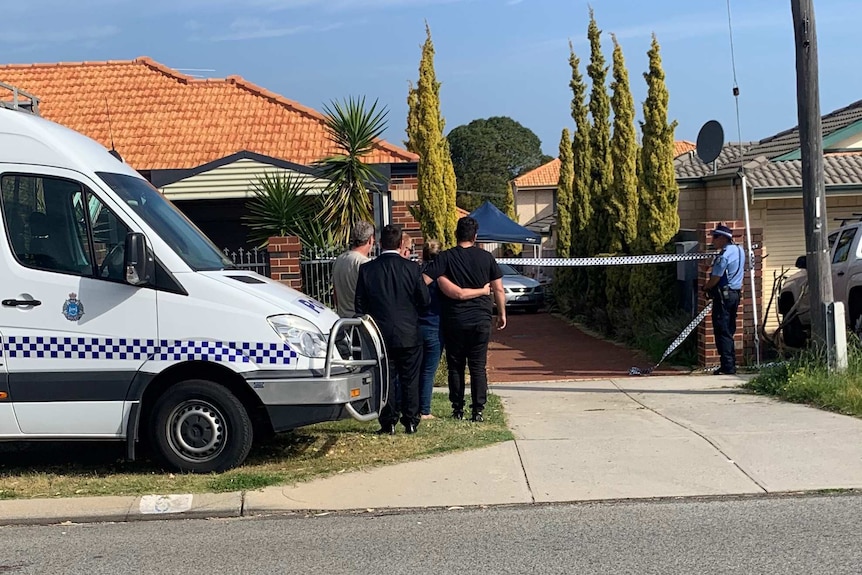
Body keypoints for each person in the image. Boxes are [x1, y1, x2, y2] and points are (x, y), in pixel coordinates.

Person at [423, 217, 506, 422]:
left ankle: (457, 408)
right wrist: (502, 313)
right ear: (475, 236)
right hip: (481, 318)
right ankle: (478, 410)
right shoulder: (486, 257)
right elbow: (498, 288)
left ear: (455, 234)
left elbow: (423, 280)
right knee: (478, 366)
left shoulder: (446, 257)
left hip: (455, 319)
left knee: (456, 365)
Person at [355, 224, 430, 434]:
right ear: (400, 244)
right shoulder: (412, 268)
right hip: (409, 333)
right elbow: (424, 300)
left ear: (379, 244)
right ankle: (411, 420)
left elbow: (359, 305)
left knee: (384, 379)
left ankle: (388, 422)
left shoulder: (367, 269)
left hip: (380, 334)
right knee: (410, 379)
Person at [417, 239, 489, 420]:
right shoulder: (441, 277)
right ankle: (424, 408)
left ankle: (421, 405)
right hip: (436, 324)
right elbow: (459, 293)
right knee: (431, 369)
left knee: (416, 368)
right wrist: (483, 291)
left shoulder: (417, 273)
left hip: (418, 323)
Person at [702, 224, 745, 376]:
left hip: (723, 297)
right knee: (730, 329)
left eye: (714, 237)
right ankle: (730, 363)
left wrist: (706, 287)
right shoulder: (740, 250)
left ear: (722, 238)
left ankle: (728, 366)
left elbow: (716, 278)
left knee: (722, 331)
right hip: (735, 294)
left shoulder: (724, 255)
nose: (712, 240)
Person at [332, 221, 375, 318]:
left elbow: (335, 293)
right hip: (359, 320)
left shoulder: (339, 259)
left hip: (343, 319)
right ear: (370, 240)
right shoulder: (364, 263)